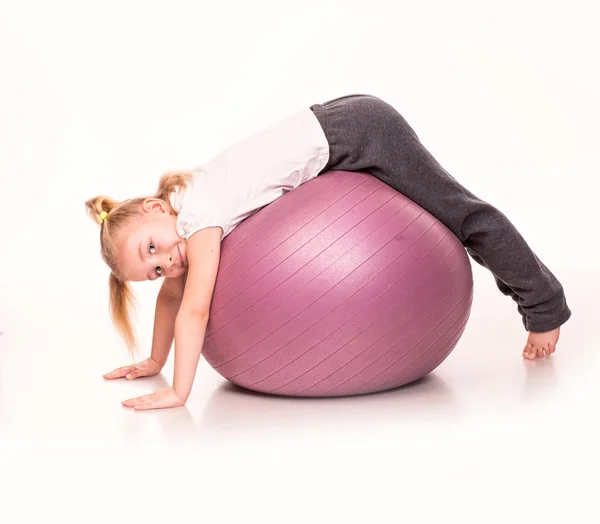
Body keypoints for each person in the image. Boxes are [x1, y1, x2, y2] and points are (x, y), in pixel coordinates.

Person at [87, 94, 571, 411]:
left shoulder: (200, 219)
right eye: (152, 269)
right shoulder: (185, 214)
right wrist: (154, 360)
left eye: (152, 248)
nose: (166, 263)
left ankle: (543, 305)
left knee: (460, 217)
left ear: (155, 206)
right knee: (452, 212)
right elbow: (174, 297)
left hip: (360, 131)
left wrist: (180, 389)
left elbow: (193, 308)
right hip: (337, 123)